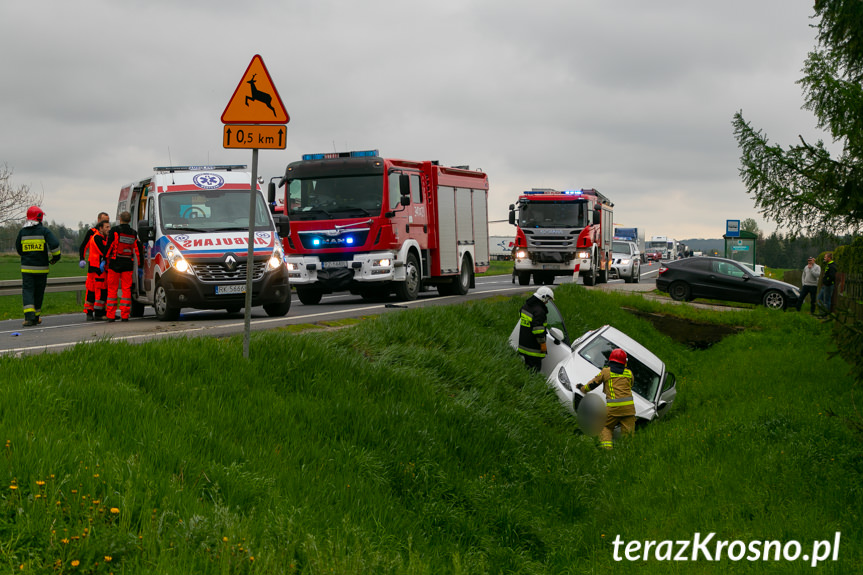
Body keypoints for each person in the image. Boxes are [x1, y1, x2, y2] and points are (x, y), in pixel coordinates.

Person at [578, 348, 635, 450]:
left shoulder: (606, 372)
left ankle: (606, 450)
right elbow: (630, 386)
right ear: (624, 363)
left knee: (605, 427)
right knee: (629, 435)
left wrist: (582, 389)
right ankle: (627, 454)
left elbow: (593, 384)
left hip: (613, 408)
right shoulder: (629, 373)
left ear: (610, 360)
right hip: (629, 409)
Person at [15, 206, 61, 327]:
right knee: (39, 292)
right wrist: (55, 257)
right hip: (41, 269)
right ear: (39, 217)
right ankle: (35, 316)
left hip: (27, 269)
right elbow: (55, 244)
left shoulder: (22, 232)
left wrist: (26, 256)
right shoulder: (44, 231)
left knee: (28, 291)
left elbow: (19, 249)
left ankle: (29, 318)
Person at [104, 211, 141, 322]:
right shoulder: (133, 233)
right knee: (126, 290)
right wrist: (139, 265)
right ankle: (125, 315)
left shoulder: (115, 231)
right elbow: (137, 250)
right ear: (129, 220)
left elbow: (109, 246)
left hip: (115, 263)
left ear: (120, 219)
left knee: (112, 290)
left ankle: (110, 315)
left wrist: (104, 259)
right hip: (128, 264)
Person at [517, 286, 554, 372]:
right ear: (543, 297)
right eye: (547, 300)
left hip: (524, 346)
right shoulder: (540, 311)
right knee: (534, 372)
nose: (547, 302)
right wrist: (543, 345)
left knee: (527, 370)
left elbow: (522, 317)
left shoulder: (526, 306)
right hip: (533, 349)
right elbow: (538, 330)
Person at [83, 220, 111, 320]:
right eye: (106, 227)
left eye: (109, 227)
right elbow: (104, 251)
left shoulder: (104, 238)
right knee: (99, 292)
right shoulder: (97, 238)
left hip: (100, 269)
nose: (109, 229)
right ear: (100, 228)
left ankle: (97, 312)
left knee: (100, 291)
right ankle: (98, 313)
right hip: (97, 269)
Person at [817, 252, 837, 316]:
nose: (824, 258)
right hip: (825, 285)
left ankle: (825, 314)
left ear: (829, 258)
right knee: (819, 299)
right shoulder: (828, 265)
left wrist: (826, 282)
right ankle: (822, 312)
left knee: (826, 301)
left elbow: (832, 277)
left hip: (828, 285)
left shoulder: (832, 266)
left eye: (825, 257)